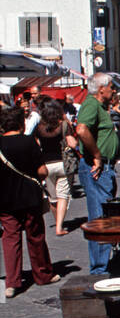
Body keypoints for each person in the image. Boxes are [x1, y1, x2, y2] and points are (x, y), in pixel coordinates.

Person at [0, 104, 60, 297]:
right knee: (35, 236)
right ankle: (42, 274)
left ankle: (12, 282)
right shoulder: (28, 142)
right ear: (20, 122)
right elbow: (42, 170)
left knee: (10, 239)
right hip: (28, 196)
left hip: (4, 198)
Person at [75, 73, 119, 273]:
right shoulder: (91, 105)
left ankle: (103, 264)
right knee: (100, 218)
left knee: (104, 215)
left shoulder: (99, 106)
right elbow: (82, 129)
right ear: (101, 89)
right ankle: (99, 269)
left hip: (105, 169)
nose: (114, 90)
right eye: (111, 86)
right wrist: (97, 156)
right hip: (98, 169)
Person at [35, 98, 77, 236]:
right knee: (63, 195)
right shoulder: (63, 125)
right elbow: (72, 144)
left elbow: (37, 146)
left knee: (53, 197)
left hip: (46, 164)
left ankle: (57, 220)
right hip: (62, 163)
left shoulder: (39, 127)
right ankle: (59, 226)